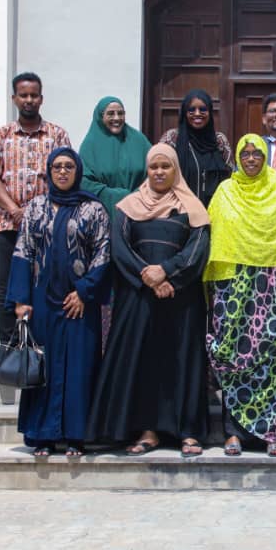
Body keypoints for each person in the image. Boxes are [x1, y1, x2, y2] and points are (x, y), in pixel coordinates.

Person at [86, 144, 211, 458]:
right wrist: (148, 275)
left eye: (165, 167)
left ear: (175, 170)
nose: (158, 172)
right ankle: (148, 431)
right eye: (153, 167)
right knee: (144, 363)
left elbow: (197, 251)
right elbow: (120, 247)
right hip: (139, 298)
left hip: (181, 299)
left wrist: (167, 273)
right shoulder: (129, 205)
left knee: (182, 362)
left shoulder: (192, 206)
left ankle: (188, 432)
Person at [204, 134, 276, 457]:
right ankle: (233, 434)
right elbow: (214, 240)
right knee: (235, 357)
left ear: (265, 156)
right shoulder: (226, 191)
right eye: (246, 153)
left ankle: (275, 433)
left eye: (257, 153)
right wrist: (214, 289)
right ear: (238, 157)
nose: (252, 158)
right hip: (235, 285)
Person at [6, 147, 111, 457]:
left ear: (77, 171)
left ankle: (77, 436)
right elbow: (23, 252)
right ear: (49, 172)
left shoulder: (93, 210)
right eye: (57, 167)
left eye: (68, 166)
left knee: (79, 367)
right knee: (46, 367)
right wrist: (21, 300)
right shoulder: (36, 208)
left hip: (80, 304)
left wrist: (84, 292)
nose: (63, 172)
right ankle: (44, 436)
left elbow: (104, 253)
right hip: (43, 303)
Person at [0, 72, 72, 350]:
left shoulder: (57, 134)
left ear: (41, 98)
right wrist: (15, 210)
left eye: (34, 95)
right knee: (7, 287)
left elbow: (67, 173)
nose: (29, 100)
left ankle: (41, 342)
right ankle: (11, 347)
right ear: (14, 99)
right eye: (24, 95)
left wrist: (37, 213)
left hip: (47, 226)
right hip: (8, 225)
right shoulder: (2, 135)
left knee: (44, 282)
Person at [78, 96, 152, 349]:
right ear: (100, 116)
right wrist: (121, 196)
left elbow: (154, 173)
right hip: (103, 225)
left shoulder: (139, 140)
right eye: (110, 113)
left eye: (120, 112)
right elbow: (84, 183)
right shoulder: (90, 146)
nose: (117, 118)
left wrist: (137, 198)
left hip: (138, 222)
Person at [159, 89, 232, 207]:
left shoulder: (219, 141)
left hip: (214, 213)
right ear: (184, 113)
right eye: (191, 110)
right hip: (179, 212)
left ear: (210, 112)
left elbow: (230, 178)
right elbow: (159, 174)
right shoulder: (172, 139)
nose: (197, 113)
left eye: (203, 109)